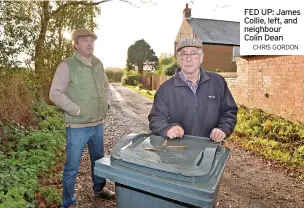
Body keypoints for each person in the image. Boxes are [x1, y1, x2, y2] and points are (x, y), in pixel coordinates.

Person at [49, 28, 114, 208]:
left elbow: (106, 87)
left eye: (91, 39)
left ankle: (99, 188)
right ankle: (68, 201)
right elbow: (54, 93)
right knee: (72, 166)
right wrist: (76, 110)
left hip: (98, 124)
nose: (89, 42)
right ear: (76, 45)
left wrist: (106, 104)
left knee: (99, 160)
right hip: (77, 126)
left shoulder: (98, 64)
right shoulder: (67, 65)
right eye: (84, 40)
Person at [148, 37, 238, 142]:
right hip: (177, 150)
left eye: (194, 53)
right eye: (184, 54)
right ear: (178, 58)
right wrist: (167, 129)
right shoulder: (165, 89)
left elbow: (229, 111)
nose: (188, 58)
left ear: (201, 57)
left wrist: (223, 129)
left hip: (210, 148)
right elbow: (156, 119)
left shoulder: (217, 82)